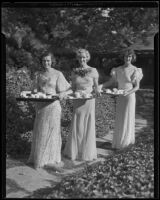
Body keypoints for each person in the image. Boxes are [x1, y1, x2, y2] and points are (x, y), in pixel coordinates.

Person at [27, 51, 72, 169]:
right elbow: (34, 89)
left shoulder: (58, 74)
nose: (46, 63)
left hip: (53, 106)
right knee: (40, 131)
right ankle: (39, 159)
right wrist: (34, 92)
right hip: (41, 106)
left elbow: (69, 89)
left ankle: (51, 158)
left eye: (48, 60)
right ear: (41, 62)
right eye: (44, 61)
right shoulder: (38, 74)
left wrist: (63, 94)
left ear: (52, 61)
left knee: (52, 131)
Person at [100, 48, 143, 150]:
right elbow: (112, 82)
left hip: (129, 96)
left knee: (127, 117)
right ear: (123, 57)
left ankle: (126, 143)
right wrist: (101, 86)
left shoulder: (135, 70)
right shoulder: (117, 70)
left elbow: (137, 87)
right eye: (125, 56)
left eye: (129, 56)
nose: (127, 58)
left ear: (132, 58)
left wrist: (128, 92)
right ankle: (118, 142)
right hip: (120, 96)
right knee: (119, 117)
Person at [63, 48, 100, 161]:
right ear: (77, 58)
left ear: (87, 57)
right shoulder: (74, 71)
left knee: (87, 124)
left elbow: (96, 87)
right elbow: (73, 88)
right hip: (78, 100)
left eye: (84, 57)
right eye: (80, 57)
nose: (82, 59)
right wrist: (65, 93)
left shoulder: (93, 70)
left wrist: (97, 91)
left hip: (89, 101)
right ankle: (76, 151)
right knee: (77, 125)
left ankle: (86, 152)